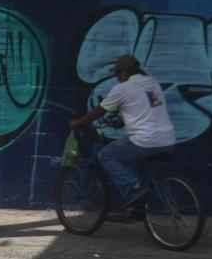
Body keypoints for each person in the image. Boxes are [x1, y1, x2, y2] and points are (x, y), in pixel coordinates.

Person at [69, 54, 176, 208]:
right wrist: (123, 121)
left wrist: (78, 122)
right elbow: (152, 108)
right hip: (167, 140)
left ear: (124, 72)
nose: (117, 77)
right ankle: (138, 208)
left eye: (117, 74)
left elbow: (98, 111)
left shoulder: (122, 88)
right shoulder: (151, 84)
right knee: (137, 161)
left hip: (145, 141)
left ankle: (135, 188)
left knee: (105, 155)